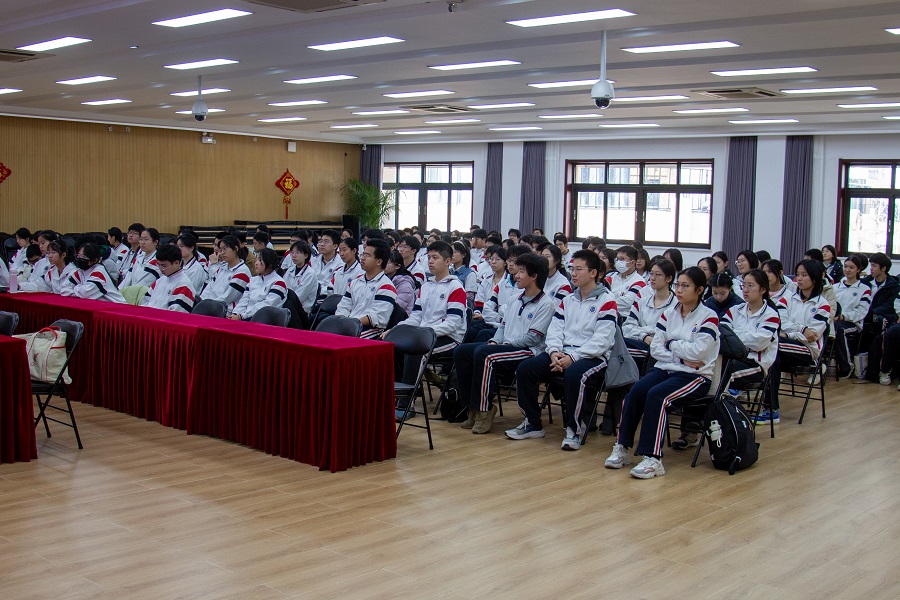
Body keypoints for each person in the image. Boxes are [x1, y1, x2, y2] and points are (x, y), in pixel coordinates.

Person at [605, 267, 719, 479]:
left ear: (699, 290)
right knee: (636, 391)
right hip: (666, 368)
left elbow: (698, 352)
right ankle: (622, 447)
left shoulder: (709, 317)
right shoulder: (669, 314)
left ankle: (653, 458)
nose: (679, 290)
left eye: (685, 286)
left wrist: (671, 344)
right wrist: (679, 355)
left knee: (657, 396)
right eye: (678, 285)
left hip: (695, 376)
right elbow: (656, 348)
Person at [510, 250, 618, 447]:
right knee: (526, 368)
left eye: (578, 269)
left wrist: (573, 357)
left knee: (574, 374)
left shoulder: (607, 301)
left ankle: (573, 429)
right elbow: (555, 330)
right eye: (572, 269)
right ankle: (533, 423)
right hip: (562, 352)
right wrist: (553, 352)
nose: (573, 274)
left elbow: (602, 340)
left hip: (592, 357)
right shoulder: (568, 300)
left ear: (593, 273)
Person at [672, 269, 779, 448]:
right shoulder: (734, 310)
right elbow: (721, 335)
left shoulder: (771, 315)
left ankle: (717, 428)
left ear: (762, 290)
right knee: (699, 370)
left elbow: (760, 342)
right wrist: (742, 339)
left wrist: (736, 337)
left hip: (755, 364)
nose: (745, 289)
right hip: (728, 358)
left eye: (750, 286)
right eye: (743, 285)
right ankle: (691, 428)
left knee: (719, 375)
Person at [454, 252, 556, 434]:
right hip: (507, 347)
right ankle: (471, 406)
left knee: (485, 355)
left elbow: (533, 338)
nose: (516, 275)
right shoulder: (514, 299)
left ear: (534, 276)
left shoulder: (546, 304)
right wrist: (495, 341)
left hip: (528, 351)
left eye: (522, 271)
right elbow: (503, 326)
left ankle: (484, 409)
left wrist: (505, 346)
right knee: (462, 351)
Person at [600, 258, 678, 436]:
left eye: (658, 275)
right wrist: (645, 335)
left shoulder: (675, 304)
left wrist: (649, 335)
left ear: (669, 279)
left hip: (658, 351)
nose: (652, 278)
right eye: (652, 274)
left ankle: (613, 420)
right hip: (638, 344)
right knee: (622, 360)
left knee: (618, 353)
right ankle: (614, 420)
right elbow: (628, 326)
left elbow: (667, 333)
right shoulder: (643, 296)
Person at [762, 259, 830, 424]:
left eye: (804, 275)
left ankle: (769, 408)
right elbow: (780, 322)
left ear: (814, 278)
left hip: (808, 350)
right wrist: (801, 329)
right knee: (773, 358)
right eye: (798, 274)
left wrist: (789, 333)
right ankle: (771, 410)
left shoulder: (823, 305)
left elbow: (812, 335)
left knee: (771, 344)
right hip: (785, 346)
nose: (798, 279)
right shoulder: (787, 299)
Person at [336, 239, 397, 338]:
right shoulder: (355, 282)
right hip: (350, 324)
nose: (362, 258)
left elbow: (378, 317)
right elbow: (344, 306)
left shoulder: (386, 286)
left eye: (367, 255)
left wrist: (352, 323)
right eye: (363, 254)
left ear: (378, 261)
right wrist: (342, 320)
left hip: (371, 330)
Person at [833, 254, 871, 379]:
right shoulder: (835, 287)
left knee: (839, 330)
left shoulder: (864, 289)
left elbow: (861, 312)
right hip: (833, 320)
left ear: (858, 270)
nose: (847, 270)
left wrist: (843, 317)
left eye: (851, 267)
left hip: (853, 323)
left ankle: (846, 366)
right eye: (845, 267)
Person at [200, 234, 251, 316]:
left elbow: (228, 297)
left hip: (225, 312)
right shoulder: (221, 268)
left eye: (225, 249)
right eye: (221, 249)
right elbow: (209, 288)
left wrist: (208, 306)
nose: (222, 252)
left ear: (236, 249)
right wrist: (201, 302)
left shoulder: (242, 272)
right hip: (210, 308)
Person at [230, 248, 288, 321]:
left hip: (265, 320)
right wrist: (235, 313)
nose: (256, 263)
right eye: (256, 259)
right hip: (246, 316)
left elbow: (265, 306)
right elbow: (244, 300)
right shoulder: (253, 280)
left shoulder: (279, 283)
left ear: (270, 264)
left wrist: (242, 316)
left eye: (260, 260)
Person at [141, 244, 196, 313]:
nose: (161, 269)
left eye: (164, 266)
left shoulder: (184, 285)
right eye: (158, 265)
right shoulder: (159, 281)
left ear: (176, 263)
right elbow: (145, 303)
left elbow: (175, 314)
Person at [607, 245, 647, 318]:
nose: (618, 262)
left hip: (625, 318)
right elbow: (600, 296)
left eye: (622, 259)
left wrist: (608, 298)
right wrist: (618, 296)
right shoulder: (611, 278)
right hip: (607, 314)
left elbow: (627, 303)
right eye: (617, 259)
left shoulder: (639, 282)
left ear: (632, 263)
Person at [284, 240, 318, 314]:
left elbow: (299, 298)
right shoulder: (290, 270)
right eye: (292, 252)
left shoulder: (310, 274)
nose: (294, 255)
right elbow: (283, 288)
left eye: (298, 252)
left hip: (301, 310)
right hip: (286, 305)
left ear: (306, 255)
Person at [385, 249, 417, 315]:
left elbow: (396, 307)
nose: (384, 265)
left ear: (397, 266)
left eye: (388, 263)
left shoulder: (405, 285)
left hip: (400, 318)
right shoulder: (385, 279)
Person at [313, 229, 343, 293]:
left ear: (335, 246)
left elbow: (333, 287)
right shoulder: (313, 260)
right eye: (321, 241)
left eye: (326, 242)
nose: (322, 244)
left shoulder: (341, 264)